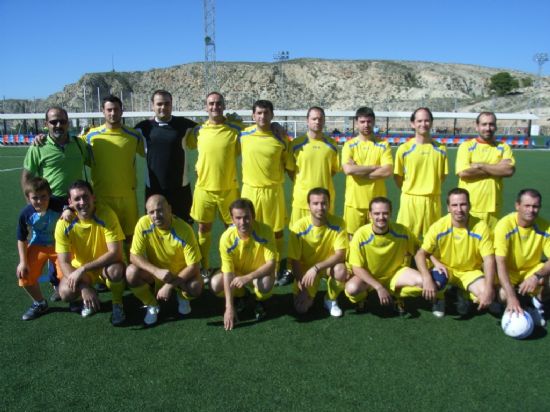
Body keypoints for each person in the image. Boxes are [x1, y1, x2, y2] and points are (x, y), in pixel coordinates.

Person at [21, 106, 90, 299]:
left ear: (68, 122)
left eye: (62, 121)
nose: (58, 125)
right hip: (49, 202)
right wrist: (32, 205)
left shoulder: (79, 144)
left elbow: (94, 159)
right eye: (53, 121)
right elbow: (26, 176)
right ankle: (57, 284)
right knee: (54, 245)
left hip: (75, 202)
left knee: (75, 243)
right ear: (46, 124)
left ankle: (83, 278)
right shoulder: (38, 146)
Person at [186, 92, 243, 280]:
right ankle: (204, 267)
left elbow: (257, 131)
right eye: (211, 104)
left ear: (224, 106)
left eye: (219, 103)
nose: (215, 107)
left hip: (229, 189)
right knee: (204, 229)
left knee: (234, 229)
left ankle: (234, 265)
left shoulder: (235, 129)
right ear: (206, 107)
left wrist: (275, 126)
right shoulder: (198, 131)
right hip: (204, 189)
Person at [55, 180, 126, 325]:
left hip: (106, 265)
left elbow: (115, 253)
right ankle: (89, 298)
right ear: (70, 202)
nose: (82, 202)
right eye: (77, 199)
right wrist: (83, 287)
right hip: (83, 272)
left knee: (115, 270)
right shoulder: (63, 224)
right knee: (65, 292)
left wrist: (83, 269)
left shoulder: (106, 214)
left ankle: (117, 303)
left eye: (85, 196)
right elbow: (64, 261)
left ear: (93, 197)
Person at [415, 188, 496, 318]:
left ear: (470, 206)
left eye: (463, 204)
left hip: (469, 271)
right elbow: (420, 254)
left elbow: (489, 259)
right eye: (454, 205)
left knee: (487, 295)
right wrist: (426, 278)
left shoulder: (481, 227)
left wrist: (489, 289)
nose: (459, 209)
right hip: (445, 270)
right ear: (448, 208)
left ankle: (461, 294)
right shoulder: (439, 226)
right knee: (429, 284)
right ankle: (439, 299)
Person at [126, 195, 203, 325]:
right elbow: (134, 256)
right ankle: (152, 304)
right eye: (151, 212)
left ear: (169, 209)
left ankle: (181, 296)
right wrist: (156, 271)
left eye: (160, 210)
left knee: (196, 287)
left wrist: (169, 285)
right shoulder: (143, 224)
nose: (156, 215)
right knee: (131, 272)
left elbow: (193, 266)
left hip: (181, 275)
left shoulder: (185, 230)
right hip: (157, 275)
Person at [345, 197, 428, 315]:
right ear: (370, 215)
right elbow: (356, 268)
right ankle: (363, 297)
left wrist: (429, 272)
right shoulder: (361, 235)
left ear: (390, 214)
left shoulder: (402, 231)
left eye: (385, 213)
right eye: (377, 213)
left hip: (395, 273)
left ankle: (397, 295)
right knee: (352, 289)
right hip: (370, 275)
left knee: (423, 282)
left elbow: (419, 250)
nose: (381, 217)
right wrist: (378, 287)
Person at [82, 95, 145, 242]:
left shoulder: (134, 135)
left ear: (122, 111)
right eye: (109, 110)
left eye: (116, 109)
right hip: (102, 197)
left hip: (127, 196)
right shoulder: (91, 136)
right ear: (102, 111)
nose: (113, 113)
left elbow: (151, 151)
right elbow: (70, 145)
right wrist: (43, 137)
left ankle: (131, 265)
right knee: (105, 240)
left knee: (131, 238)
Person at [239, 100, 289, 283]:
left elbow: (288, 162)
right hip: (250, 191)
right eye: (259, 113)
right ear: (253, 116)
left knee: (276, 232)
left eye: (266, 113)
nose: (262, 116)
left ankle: (274, 269)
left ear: (272, 115)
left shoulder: (281, 139)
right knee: (247, 229)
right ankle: (251, 265)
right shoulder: (243, 134)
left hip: (273, 192)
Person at [210, 198, 277, 330]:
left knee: (266, 283)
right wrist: (229, 307)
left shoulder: (265, 231)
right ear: (232, 219)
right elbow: (228, 273)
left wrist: (248, 277)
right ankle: (241, 296)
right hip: (237, 275)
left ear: (253, 215)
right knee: (215, 283)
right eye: (238, 218)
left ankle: (259, 301)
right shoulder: (226, 238)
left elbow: (271, 264)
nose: (243, 222)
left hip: (258, 275)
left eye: (246, 217)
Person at [135, 90, 197, 223]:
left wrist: (227, 121)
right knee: (153, 230)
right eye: (159, 104)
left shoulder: (185, 125)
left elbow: (209, 130)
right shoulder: (142, 128)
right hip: (154, 188)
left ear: (172, 104)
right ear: (152, 105)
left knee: (185, 228)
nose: (163, 107)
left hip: (180, 189)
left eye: (167, 103)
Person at [288, 187, 348, 317]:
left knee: (341, 270)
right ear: (308, 205)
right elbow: (295, 260)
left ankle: (330, 299)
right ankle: (310, 293)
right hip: (306, 270)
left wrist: (316, 268)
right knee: (301, 308)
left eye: (323, 203)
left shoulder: (339, 224)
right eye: (315, 203)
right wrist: (302, 288)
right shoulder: (298, 227)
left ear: (329, 204)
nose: (320, 207)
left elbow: (340, 255)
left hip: (327, 267)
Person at [494, 189, 550, 324]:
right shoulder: (504, 225)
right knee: (503, 295)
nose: (531, 210)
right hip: (509, 272)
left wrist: (536, 276)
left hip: (530, 271)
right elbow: (500, 263)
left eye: (535, 206)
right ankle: (518, 303)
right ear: (517, 206)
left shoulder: (545, 227)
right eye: (527, 206)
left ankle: (537, 304)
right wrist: (511, 296)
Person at [394, 107, 448, 239]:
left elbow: (442, 176)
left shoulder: (441, 149)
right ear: (412, 123)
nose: (423, 124)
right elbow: (398, 176)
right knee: (405, 238)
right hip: (410, 200)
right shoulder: (404, 149)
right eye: (419, 121)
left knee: (432, 240)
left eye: (427, 121)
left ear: (431, 123)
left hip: (432, 200)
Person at [456, 112, 515, 229]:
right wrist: (497, 167)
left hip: (494, 208)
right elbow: (464, 173)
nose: (488, 128)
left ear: (496, 127)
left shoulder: (503, 147)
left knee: (490, 245)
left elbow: (508, 171)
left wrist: (480, 165)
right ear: (477, 126)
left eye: (491, 124)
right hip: (471, 207)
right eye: (484, 124)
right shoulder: (466, 146)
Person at [16, 177, 64, 320]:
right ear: (28, 198)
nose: (40, 201)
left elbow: (72, 205)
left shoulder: (58, 204)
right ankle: (40, 303)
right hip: (38, 245)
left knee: (68, 275)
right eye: (35, 198)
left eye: (43, 197)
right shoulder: (25, 213)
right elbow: (22, 239)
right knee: (24, 273)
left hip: (59, 245)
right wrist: (22, 261)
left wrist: (67, 210)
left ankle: (75, 299)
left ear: (50, 194)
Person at [342, 107, 393, 237]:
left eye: (369, 121)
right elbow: (348, 170)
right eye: (362, 121)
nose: (366, 125)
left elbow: (387, 171)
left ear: (374, 122)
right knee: (352, 240)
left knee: (377, 240)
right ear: (357, 123)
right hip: (354, 203)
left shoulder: (383, 145)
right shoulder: (349, 145)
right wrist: (374, 167)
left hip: (377, 206)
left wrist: (358, 171)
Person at [286, 107, 339, 227]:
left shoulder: (332, 145)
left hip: (325, 201)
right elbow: (290, 169)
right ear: (307, 120)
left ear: (324, 121)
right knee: (298, 236)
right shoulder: (296, 144)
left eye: (320, 119)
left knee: (325, 238)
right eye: (314, 118)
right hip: (302, 200)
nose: (317, 121)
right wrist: (303, 182)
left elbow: (333, 170)